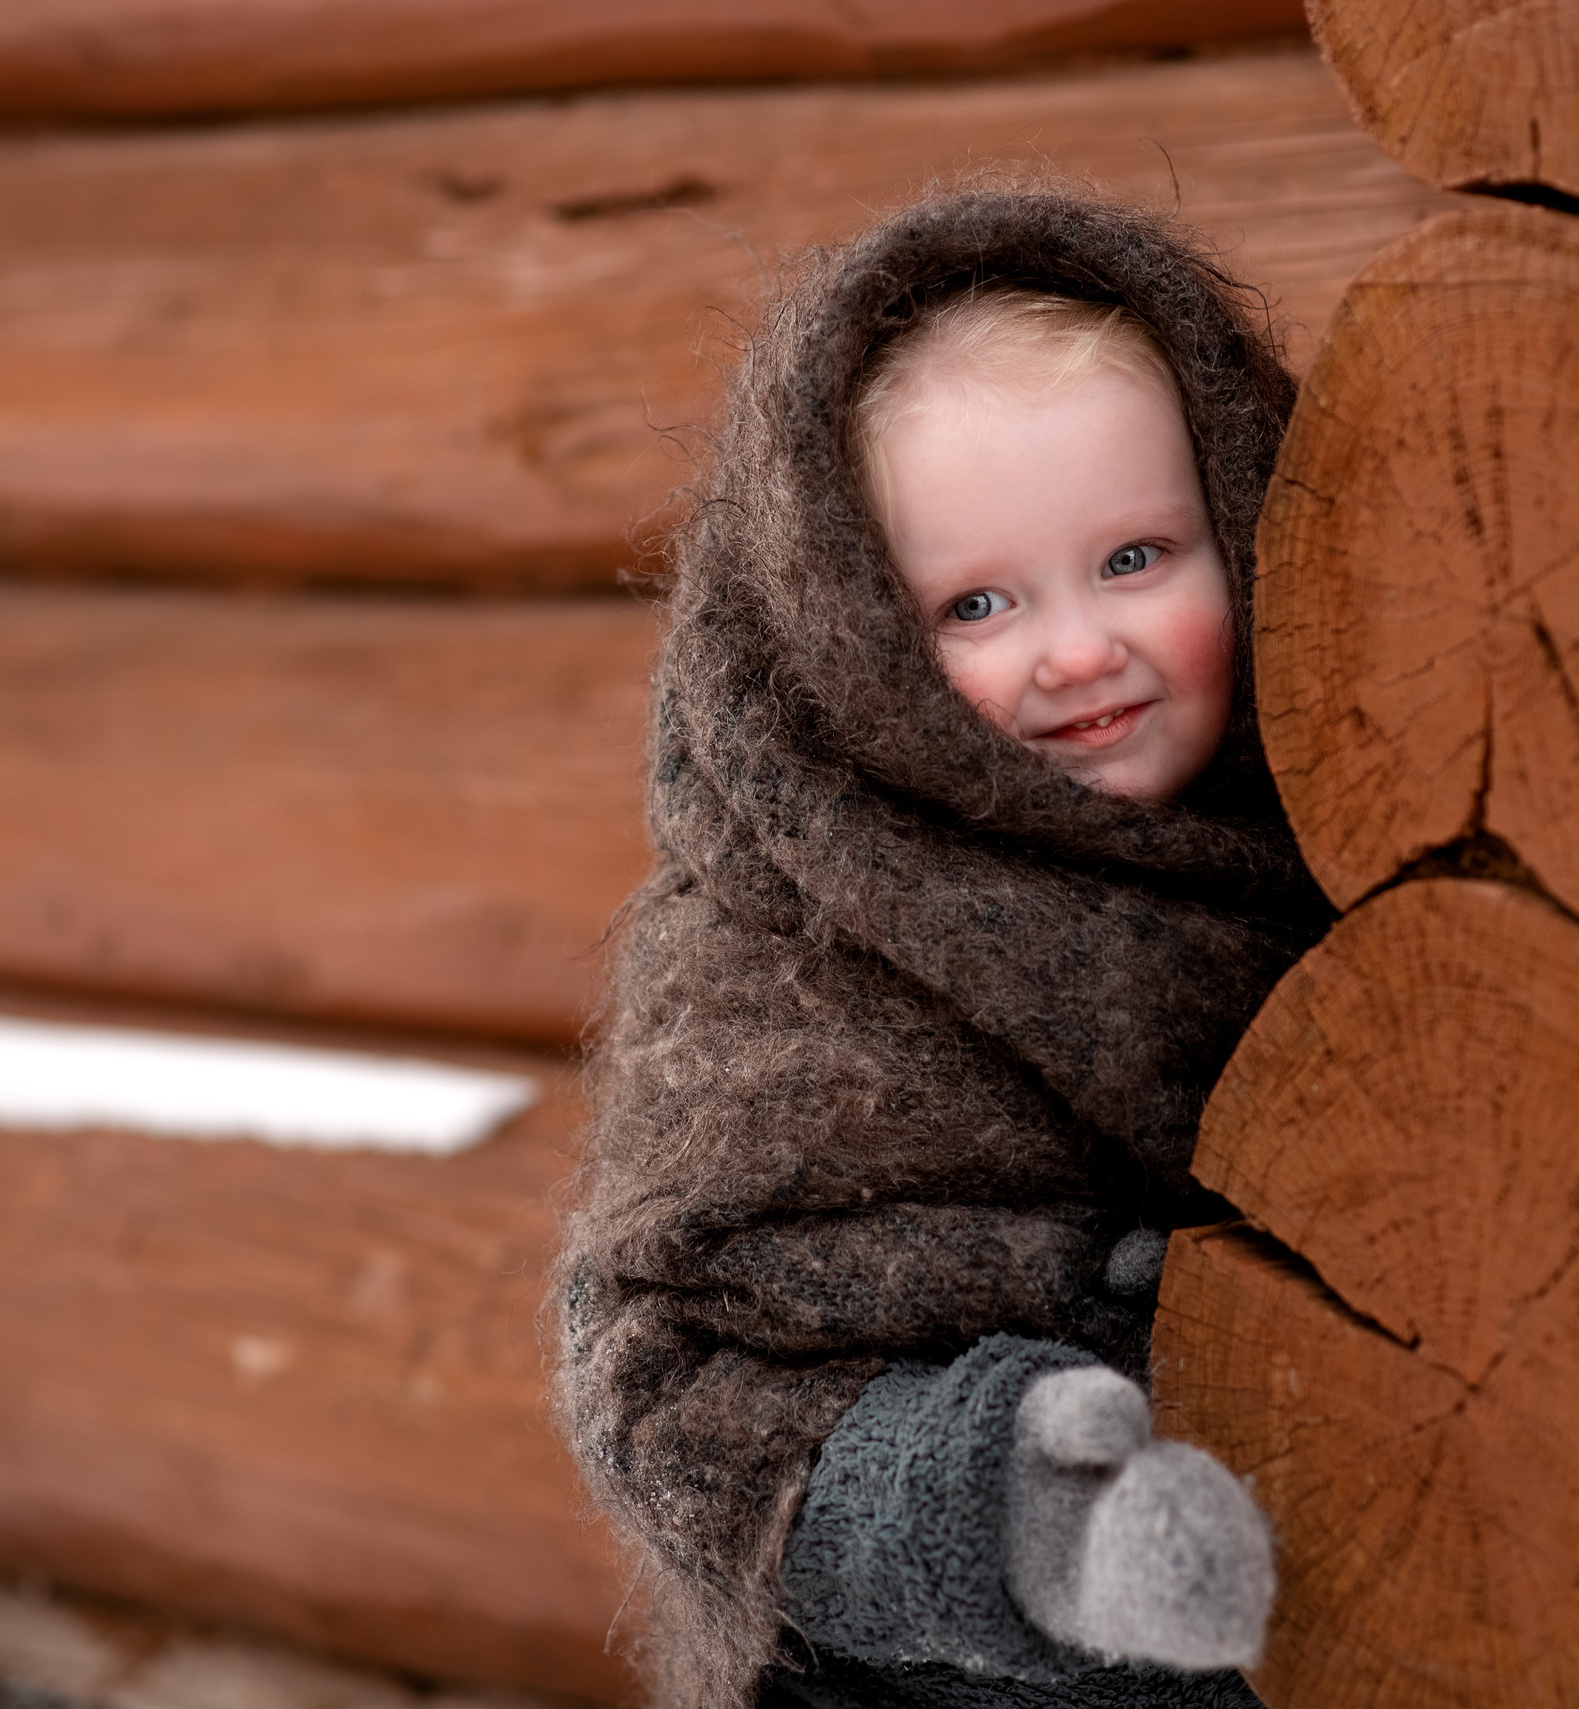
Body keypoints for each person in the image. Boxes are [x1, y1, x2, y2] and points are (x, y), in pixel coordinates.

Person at [554, 186, 1334, 1709]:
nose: (1078, 650)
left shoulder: (1343, 842)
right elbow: (675, 1395)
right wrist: (1019, 1516)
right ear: (849, 638)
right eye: (976, 603)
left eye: (1135, 558)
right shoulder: (784, 958)